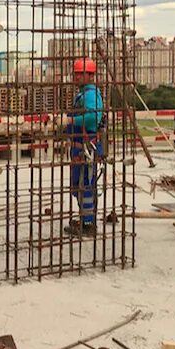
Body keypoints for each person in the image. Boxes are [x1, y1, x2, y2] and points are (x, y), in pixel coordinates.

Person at [64, 58, 104, 235]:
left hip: (86, 147)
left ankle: (88, 224)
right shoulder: (82, 94)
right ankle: (83, 218)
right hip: (78, 146)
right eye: (76, 73)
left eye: (81, 74)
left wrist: (70, 120)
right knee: (78, 184)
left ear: (90, 75)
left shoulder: (91, 95)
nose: (77, 77)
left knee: (85, 184)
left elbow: (92, 118)